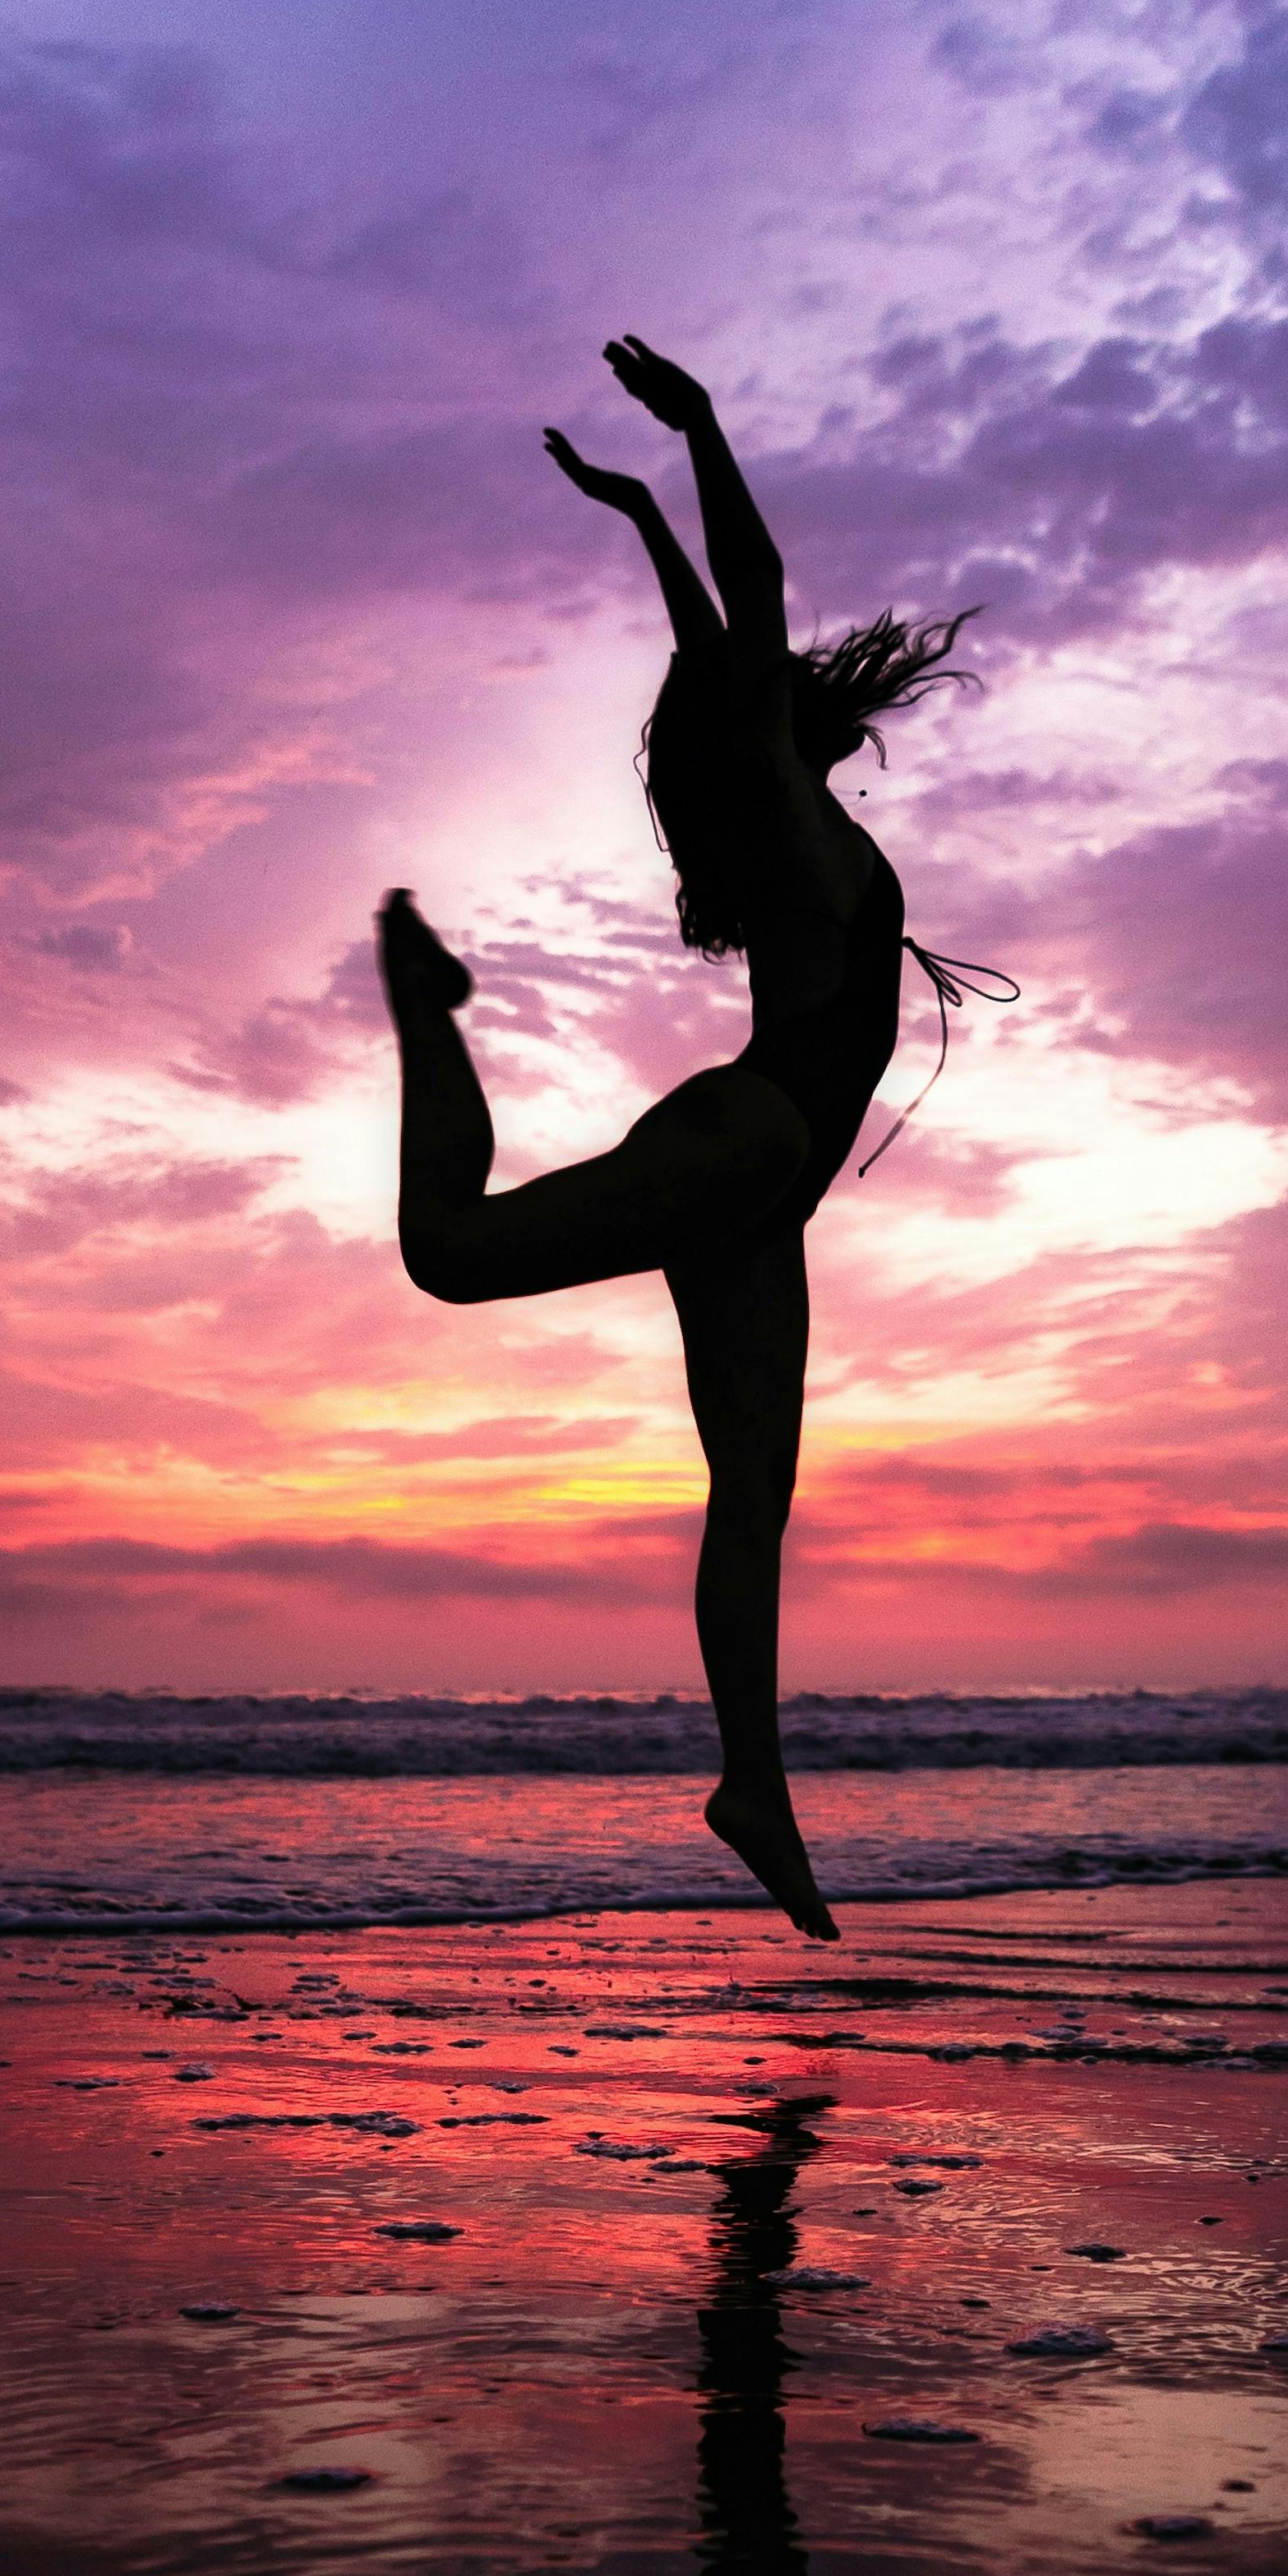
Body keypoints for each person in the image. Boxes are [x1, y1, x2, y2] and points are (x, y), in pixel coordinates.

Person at [377, 335, 982, 1940]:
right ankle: (420, 1000)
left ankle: (752, 1787)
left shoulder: (790, 808)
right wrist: (699, 433)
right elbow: (752, 593)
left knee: (753, 1494)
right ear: (773, 724)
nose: (782, 671)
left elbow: (720, 627)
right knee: (450, 1253)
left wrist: (642, 512)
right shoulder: (781, 804)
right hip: (741, 1135)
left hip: (761, 1191)